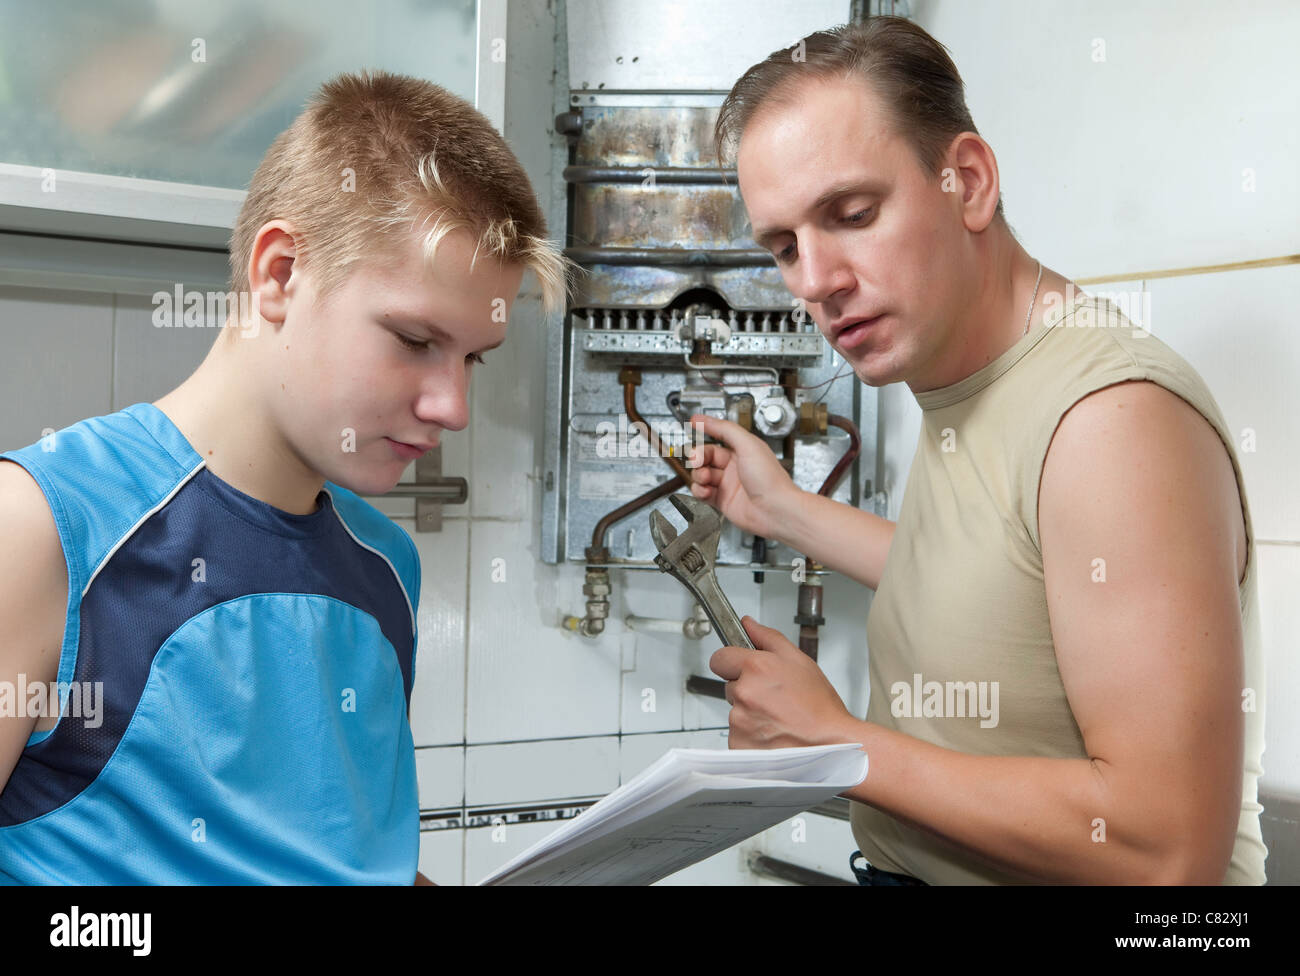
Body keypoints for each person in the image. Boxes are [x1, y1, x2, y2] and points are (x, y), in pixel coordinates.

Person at [687, 18, 1264, 884]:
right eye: (784, 246)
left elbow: (1165, 847)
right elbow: (1002, 579)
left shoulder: (1109, 419)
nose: (815, 280)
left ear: (969, 182)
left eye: (852, 214)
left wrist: (836, 743)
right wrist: (775, 509)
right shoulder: (971, 375)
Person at [0, 70, 567, 884]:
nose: (453, 407)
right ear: (278, 274)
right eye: (414, 340)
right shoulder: (39, 532)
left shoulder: (383, 567)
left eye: (473, 357)